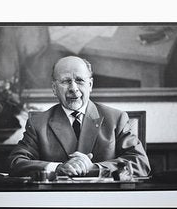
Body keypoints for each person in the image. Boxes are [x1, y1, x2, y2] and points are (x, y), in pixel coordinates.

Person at [9, 56, 150, 180]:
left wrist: (95, 168)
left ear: (90, 85)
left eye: (80, 80)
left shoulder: (116, 119)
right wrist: (58, 168)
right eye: (65, 81)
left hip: (105, 200)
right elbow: (16, 162)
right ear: (54, 88)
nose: (73, 88)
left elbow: (140, 163)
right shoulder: (38, 123)